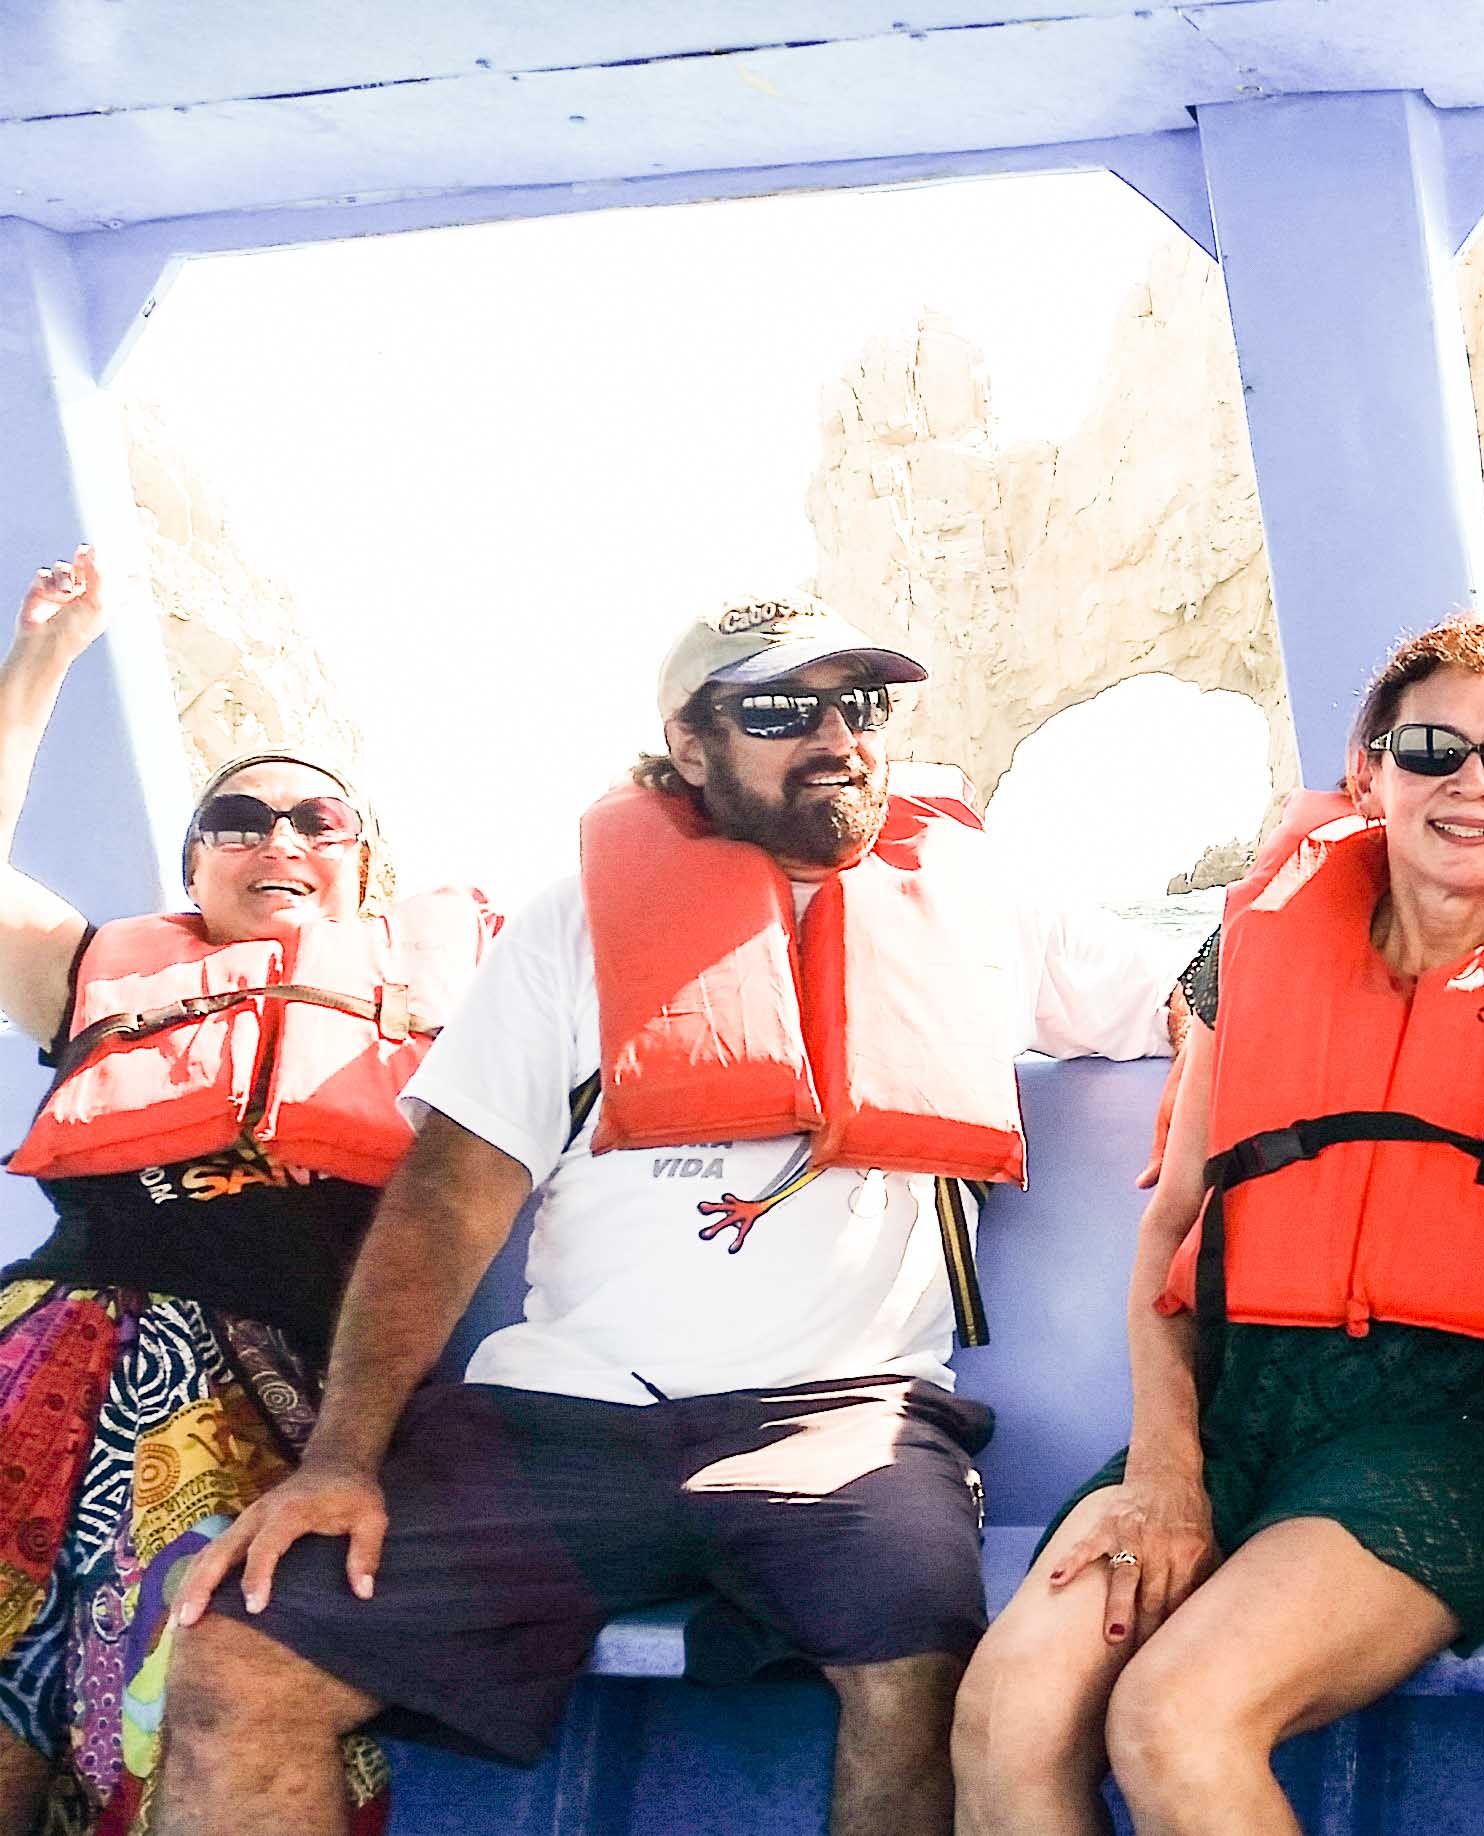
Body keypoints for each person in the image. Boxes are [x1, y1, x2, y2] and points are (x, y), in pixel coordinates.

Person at [150, 598, 1182, 1836]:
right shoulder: (574, 923)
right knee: (238, 1664)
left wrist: (1357, 897)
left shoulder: (983, 902)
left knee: (915, 1667)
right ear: (690, 746)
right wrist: (340, 1459)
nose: (836, 738)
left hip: (843, 1420)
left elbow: (1200, 999)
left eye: (860, 705)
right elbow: (449, 1201)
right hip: (558, 1420)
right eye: (780, 711)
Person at [948, 611, 1484, 1836]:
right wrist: (1165, 1471)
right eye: (1432, 749)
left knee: (1174, 1718)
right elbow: (1174, 1226)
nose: (1473, 783)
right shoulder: (1259, 942)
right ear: (1369, 771)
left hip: (1449, 1442)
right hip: (1231, 1421)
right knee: (1006, 1710)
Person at [0, 546, 498, 1835]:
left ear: (363, 872)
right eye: (238, 821)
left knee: (196, 1690)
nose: (278, 838)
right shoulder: (93, 972)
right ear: (196, 871)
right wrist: (45, 656)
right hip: (43, 1358)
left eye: (318, 822)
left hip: (287, 1397)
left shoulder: (467, 991)